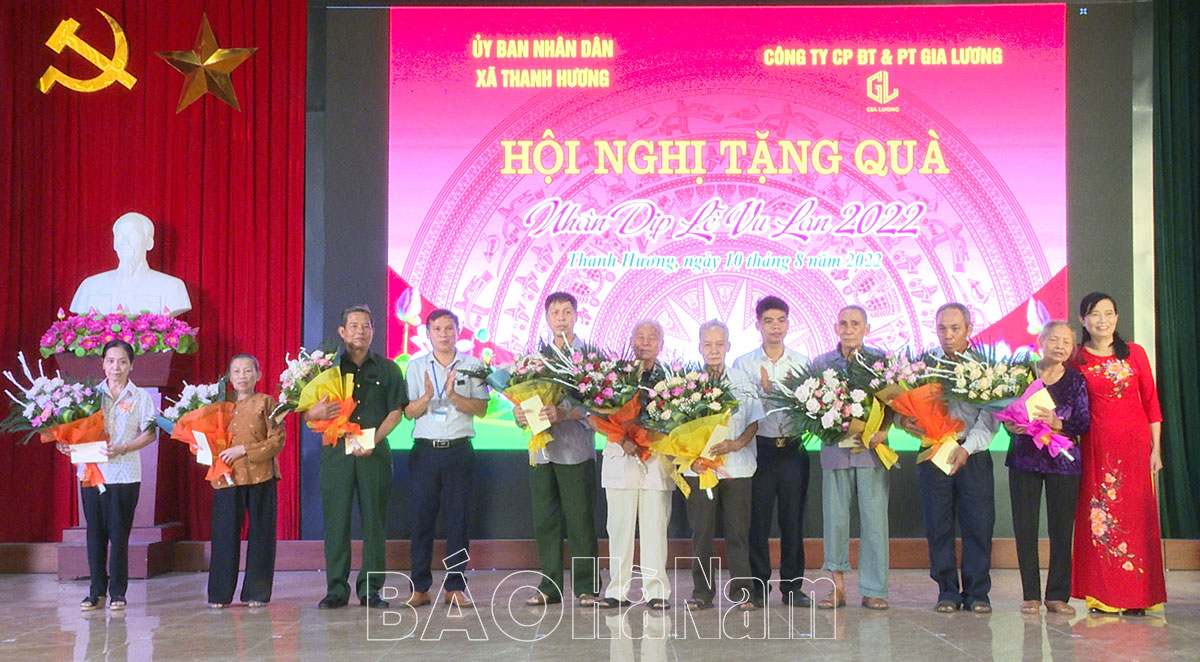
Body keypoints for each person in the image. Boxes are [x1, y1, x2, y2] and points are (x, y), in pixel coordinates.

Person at [897, 303, 1000, 613]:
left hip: (973, 453)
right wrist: (905, 422)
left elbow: (990, 417)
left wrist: (967, 448)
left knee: (978, 525)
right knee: (938, 525)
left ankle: (978, 592)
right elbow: (903, 410)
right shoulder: (921, 367)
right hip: (934, 452)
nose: (948, 334)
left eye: (955, 328)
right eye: (942, 328)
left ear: (969, 329)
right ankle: (947, 591)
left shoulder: (986, 366)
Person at [305, 304, 407, 609]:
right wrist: (315, 411)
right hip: (336, 452)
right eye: (353, 325)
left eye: (366, 326)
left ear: (373, 331)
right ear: (342, 331)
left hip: (374, 453)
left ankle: (371, 589)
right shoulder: (326, 370)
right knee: (336, 521)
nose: (360, 331)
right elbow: (307, 413)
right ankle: (336, 589)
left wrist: (374, 440)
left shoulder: (388, 369)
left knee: (375, 522)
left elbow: (396, 412)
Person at [1071, 292, 1166, 615]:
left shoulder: (1135, 353)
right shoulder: (1077, 358)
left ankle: (1140, 595)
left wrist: (1156, 449)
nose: (1103, 320)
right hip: (1097, 448)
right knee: (1101, 519)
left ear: (1117, 318)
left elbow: (1151, 403)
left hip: (1136, 448)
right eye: (1095, 314)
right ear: (1083, 320)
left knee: (1137, 518)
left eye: (1108, 313)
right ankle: (1104, 595)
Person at [512, 292, 600, 606]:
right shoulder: (534, 359)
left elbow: (599, 407)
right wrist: (519, 414)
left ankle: (587, 587)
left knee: (580, 520)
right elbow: (520, 399)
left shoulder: (590, 358)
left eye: (566, 311)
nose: (561, 317)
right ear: (547, 318)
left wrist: (565, 413)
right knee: (546, 521)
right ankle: (549, 586)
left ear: (576, 315)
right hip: (541, 451)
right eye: (555, 312)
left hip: (575, 449)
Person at [402, 309, 489, 609]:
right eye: (437, 329)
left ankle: (455, 587)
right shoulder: (416, 366)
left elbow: (481, 409)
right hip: (425, 452)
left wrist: (453, 396)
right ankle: (419, 588)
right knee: (421, 522)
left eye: (449, 328)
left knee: (458, 522)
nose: (443, 334)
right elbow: (408, 412)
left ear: (458, 331)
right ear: (428, 333)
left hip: (458, 451)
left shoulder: (473, 366)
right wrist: (427, 398)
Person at [732, 296, 813, 608]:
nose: (775, 327)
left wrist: (783, 394)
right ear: (758, 325)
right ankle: (758, 586)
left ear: (788, 324)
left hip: (792, 449)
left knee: (793, 521)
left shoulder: (802, 363)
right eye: (769, 321)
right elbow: (740, 409)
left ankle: (792, 588)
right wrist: (761, 395)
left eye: (781, 320)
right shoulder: (744, 364)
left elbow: (811, 407)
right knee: (758, 522)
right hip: (760, 451)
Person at [64, 339, 157, 611]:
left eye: (122, 361)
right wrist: (65, 443)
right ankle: (96, 590)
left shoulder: (140, 397)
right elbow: (72, 428)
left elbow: (150, 433)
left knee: (119, 535)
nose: (116, 367)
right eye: (111, 361)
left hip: (125, 474)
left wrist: (125, 447)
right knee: (94, 534)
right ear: (103, 364)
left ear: (131, 366)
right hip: (92, 472)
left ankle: (118, 591)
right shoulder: (87, 395)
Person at [811, 305, 892, 611]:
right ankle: (837, 588)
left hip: (871, 451)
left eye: (855, 324)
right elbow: (810, 406)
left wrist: (883, 431)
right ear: (836, 328)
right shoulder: (821, 364)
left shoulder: (881, 362)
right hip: (835, 451)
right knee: (834, 520)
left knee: (874, 521)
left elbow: (894, 404)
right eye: (843, 323)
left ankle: (874, 589)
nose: (848, 329)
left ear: (866, 329)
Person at [1004, 321, 1089, 615]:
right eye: (1054, 340)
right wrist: (1009, 426)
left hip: (1063, 462)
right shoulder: (1022, 374)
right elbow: (1005, 410)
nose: (1060, 346)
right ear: (1040, 341)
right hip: (1024, 458)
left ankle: (1057, 595)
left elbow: (1084, 422)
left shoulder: (1076, 380)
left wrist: (1058, 424)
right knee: (1025, 526)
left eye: (1066, 342)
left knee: (1061, 529)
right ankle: (1030, 595)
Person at [685, 320, 763, 611]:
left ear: (728, 346)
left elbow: (754, 421)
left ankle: (744, 592)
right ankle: (702, 592)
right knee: (702, 533)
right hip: (700, 469)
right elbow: (676, 428)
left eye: (719, 344)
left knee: (738, 532)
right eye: (708, 344)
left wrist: (737, 444)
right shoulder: (687, 383)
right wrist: (690, 457)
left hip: (738, 467)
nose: (714, 349)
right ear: (700, 347)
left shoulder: (743, 380)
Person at [596, 320, 674, 610]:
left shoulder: (674, 380)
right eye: (640, 336)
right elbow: (596, 415)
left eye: (652, 337)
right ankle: (617, 590)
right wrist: (621, 438)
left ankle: (657, 591)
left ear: (661, 344)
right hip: (621, 456)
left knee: (655, 528)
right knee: (619, 528)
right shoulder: (613, 376)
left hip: (656, 459)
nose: (646, 342)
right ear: (631, 341)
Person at [207, 354, 285, 609]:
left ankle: (256, 593)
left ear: (258, 375)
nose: (242, 376)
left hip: (260, 475)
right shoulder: (218, 404)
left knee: (262, 535)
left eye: (248, 371)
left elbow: (277, 440)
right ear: (229, 377)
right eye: (237, 371)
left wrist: (244, 450)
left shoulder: (267, 402)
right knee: (224, 536)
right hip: (226, 477)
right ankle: (219, 594)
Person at [69, 212, 192, 316]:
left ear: (149, 243)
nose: (124, 241)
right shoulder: (90, 286)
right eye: (120, 236)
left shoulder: (171, 287)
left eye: (133, 235)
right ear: (114, 243)